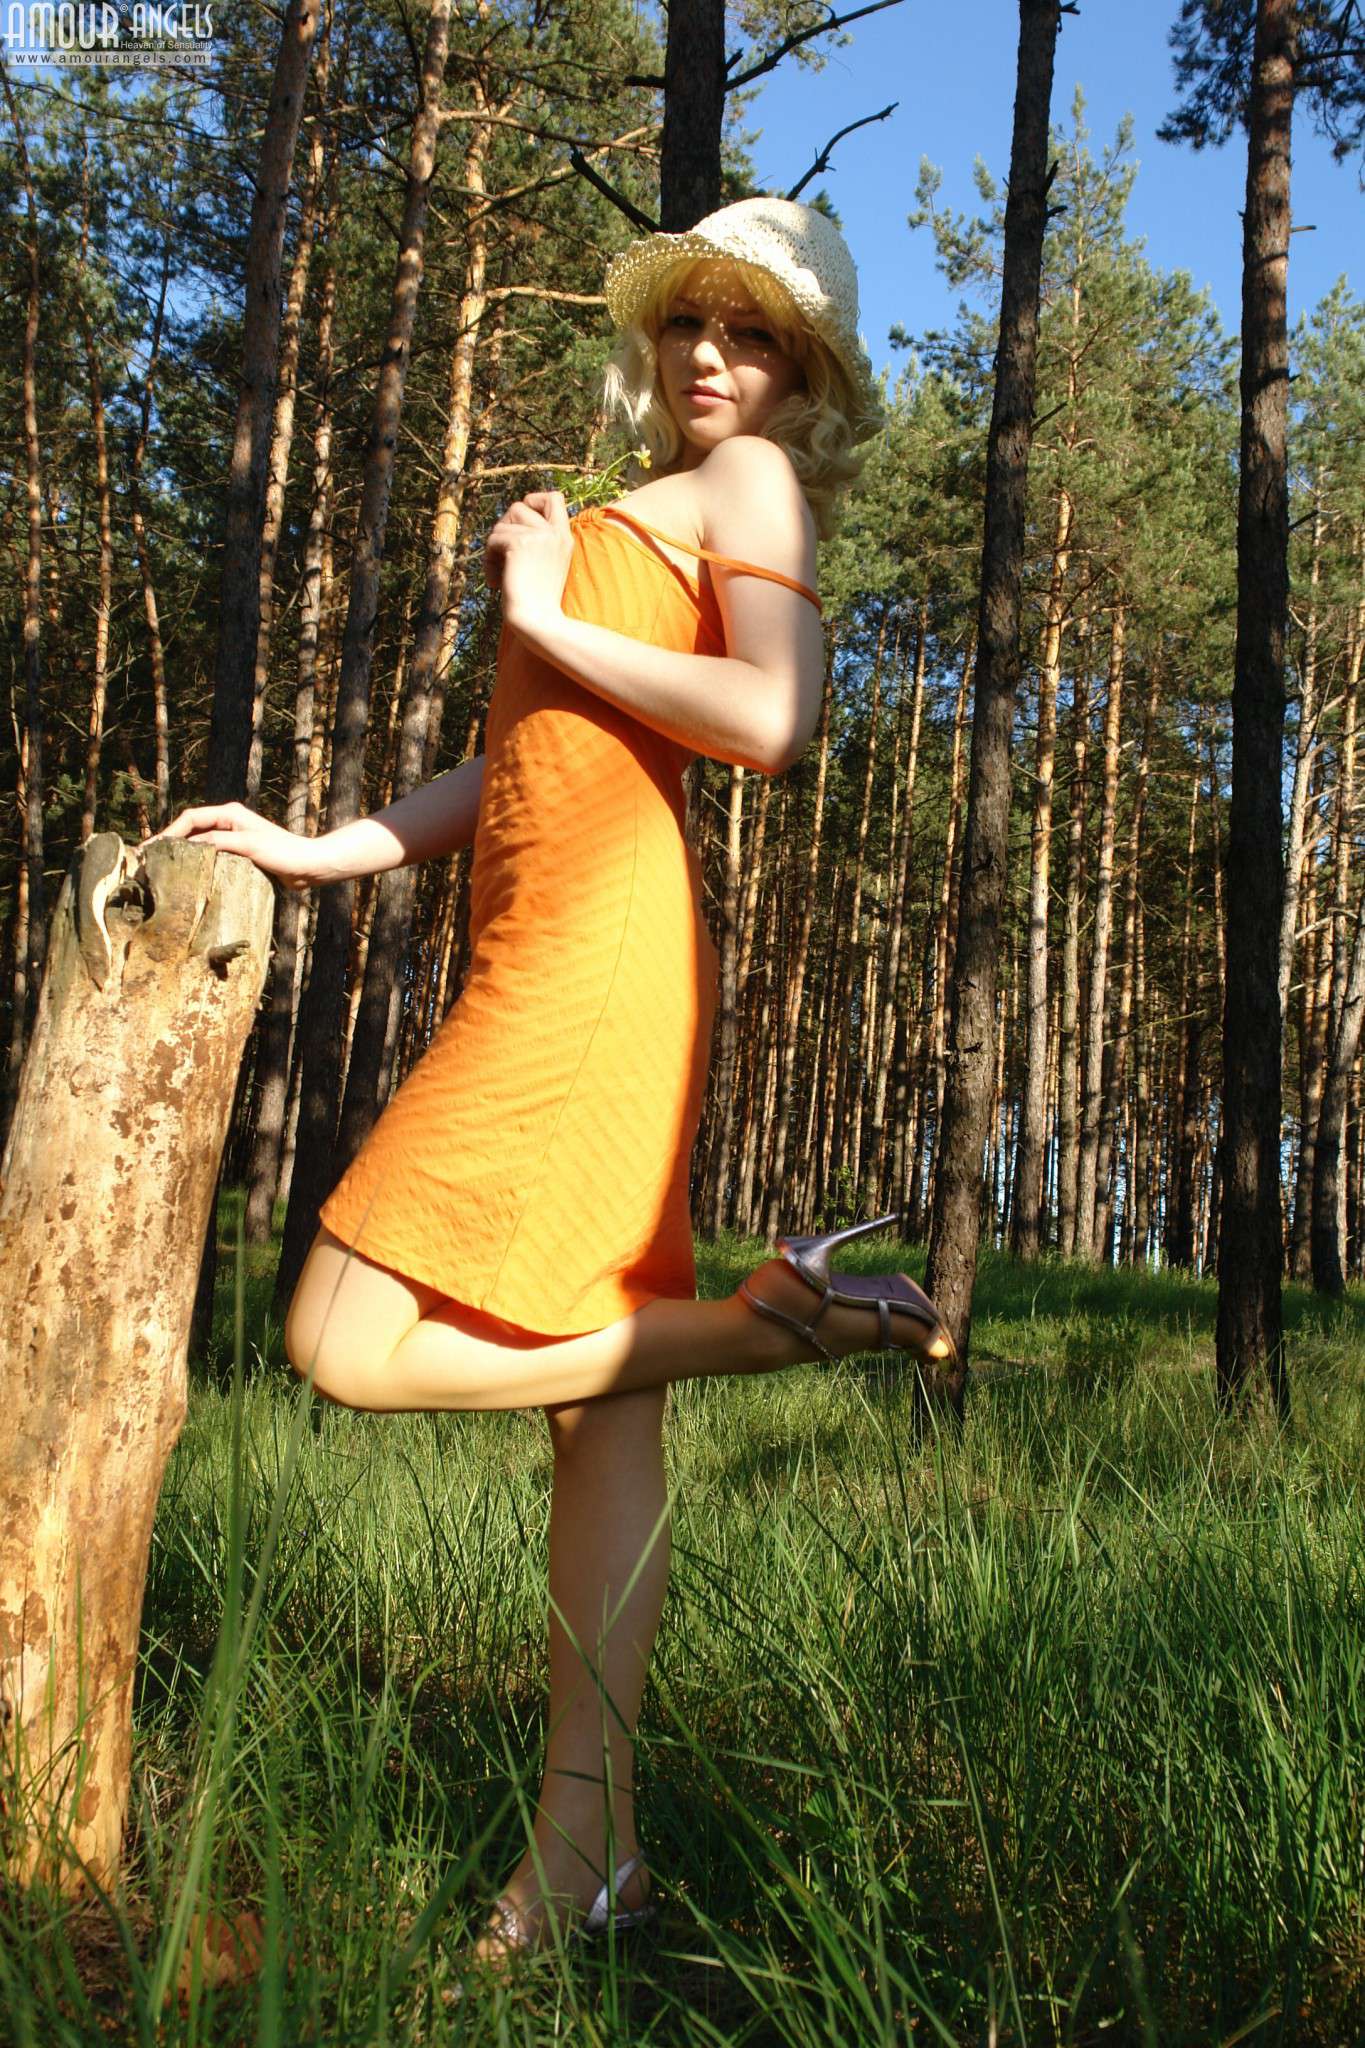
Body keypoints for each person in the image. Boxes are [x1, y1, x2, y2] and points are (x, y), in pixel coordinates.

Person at [153, 197, 954, 1965]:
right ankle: (589, 1865)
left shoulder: (748, 484)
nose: (709, 356)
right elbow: (518, 751)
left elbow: (769, 720)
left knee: (338, 1341)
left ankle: (770, 1330)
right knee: (603, 1408)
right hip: (549, 933)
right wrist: (319, 847)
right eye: (689, 324)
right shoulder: (649, 499)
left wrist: (538, 598)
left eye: (752, 335)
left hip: (599, 956)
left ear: (801, 375)